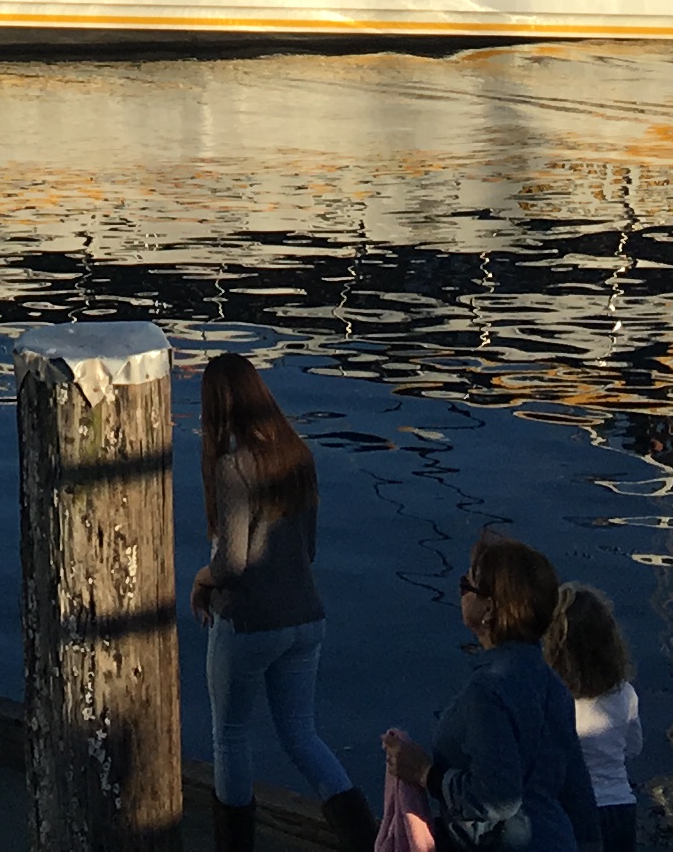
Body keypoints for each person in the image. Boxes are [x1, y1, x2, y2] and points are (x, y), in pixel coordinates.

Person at [187, 353, 357, 850]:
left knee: (231, 737)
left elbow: (232, 567)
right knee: (303, 736)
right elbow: (309, 549)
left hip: (248, 626)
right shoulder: (299, 456)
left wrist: (201, 579)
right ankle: (366, 837)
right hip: (307, 618)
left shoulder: (233, 468)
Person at [381, 534, 600, 852]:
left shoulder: (488, 692)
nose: (461, 593)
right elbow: (577, 791)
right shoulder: (551, 682)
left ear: (489, 608)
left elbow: (497, 799)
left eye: (465, 586)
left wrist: (425, 773)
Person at [547, 581, 642, 852]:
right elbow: (634, 748)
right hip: (621, 806)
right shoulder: (625, 694)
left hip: (574, 810)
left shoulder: (553, 700)